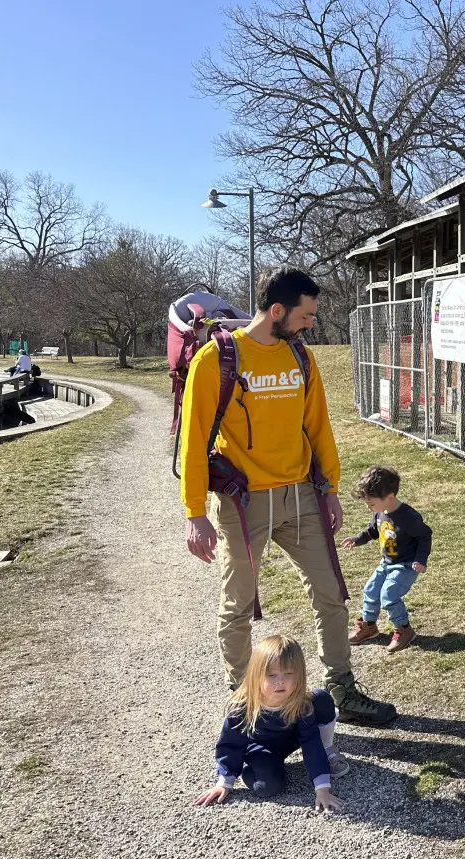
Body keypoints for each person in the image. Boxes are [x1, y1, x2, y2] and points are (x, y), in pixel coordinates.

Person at [180, 265, 397, 726]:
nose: (310, 324)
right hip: (244, 502)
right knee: (237, 606)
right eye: (305, 315)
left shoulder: (301, 357)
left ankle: (343, 689)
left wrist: (332, 491)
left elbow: (318, 426)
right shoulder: (217, 358)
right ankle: (247, 707)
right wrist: (195, 512)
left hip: (301, 497)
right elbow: (194, 439)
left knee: (331, 595)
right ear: (277, 310)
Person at [193, 634, 346, 810]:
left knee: (319, 698)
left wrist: (322, 788)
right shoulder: (243, 707)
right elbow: (230, 744)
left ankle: (328, 752)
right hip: (263, 747)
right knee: (266, 788)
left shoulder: (300, 703)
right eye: (272, 675)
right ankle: (255, 768)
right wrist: (225, 781)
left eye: (289, 674)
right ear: (256, 675)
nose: (280, 681)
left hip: (292, 738)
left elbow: (311, 742)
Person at [342, 466, 432, 654]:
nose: (369, 507)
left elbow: (425, 535)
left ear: (389, 497)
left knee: (389, 596)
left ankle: (404, 630)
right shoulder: (380, 512)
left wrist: (420, 559)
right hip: (386, 563)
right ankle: (369, 627)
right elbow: (372, 530)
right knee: (371, 591)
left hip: (406, 565)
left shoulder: (408, 517)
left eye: (371, 504)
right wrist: (358, 539)